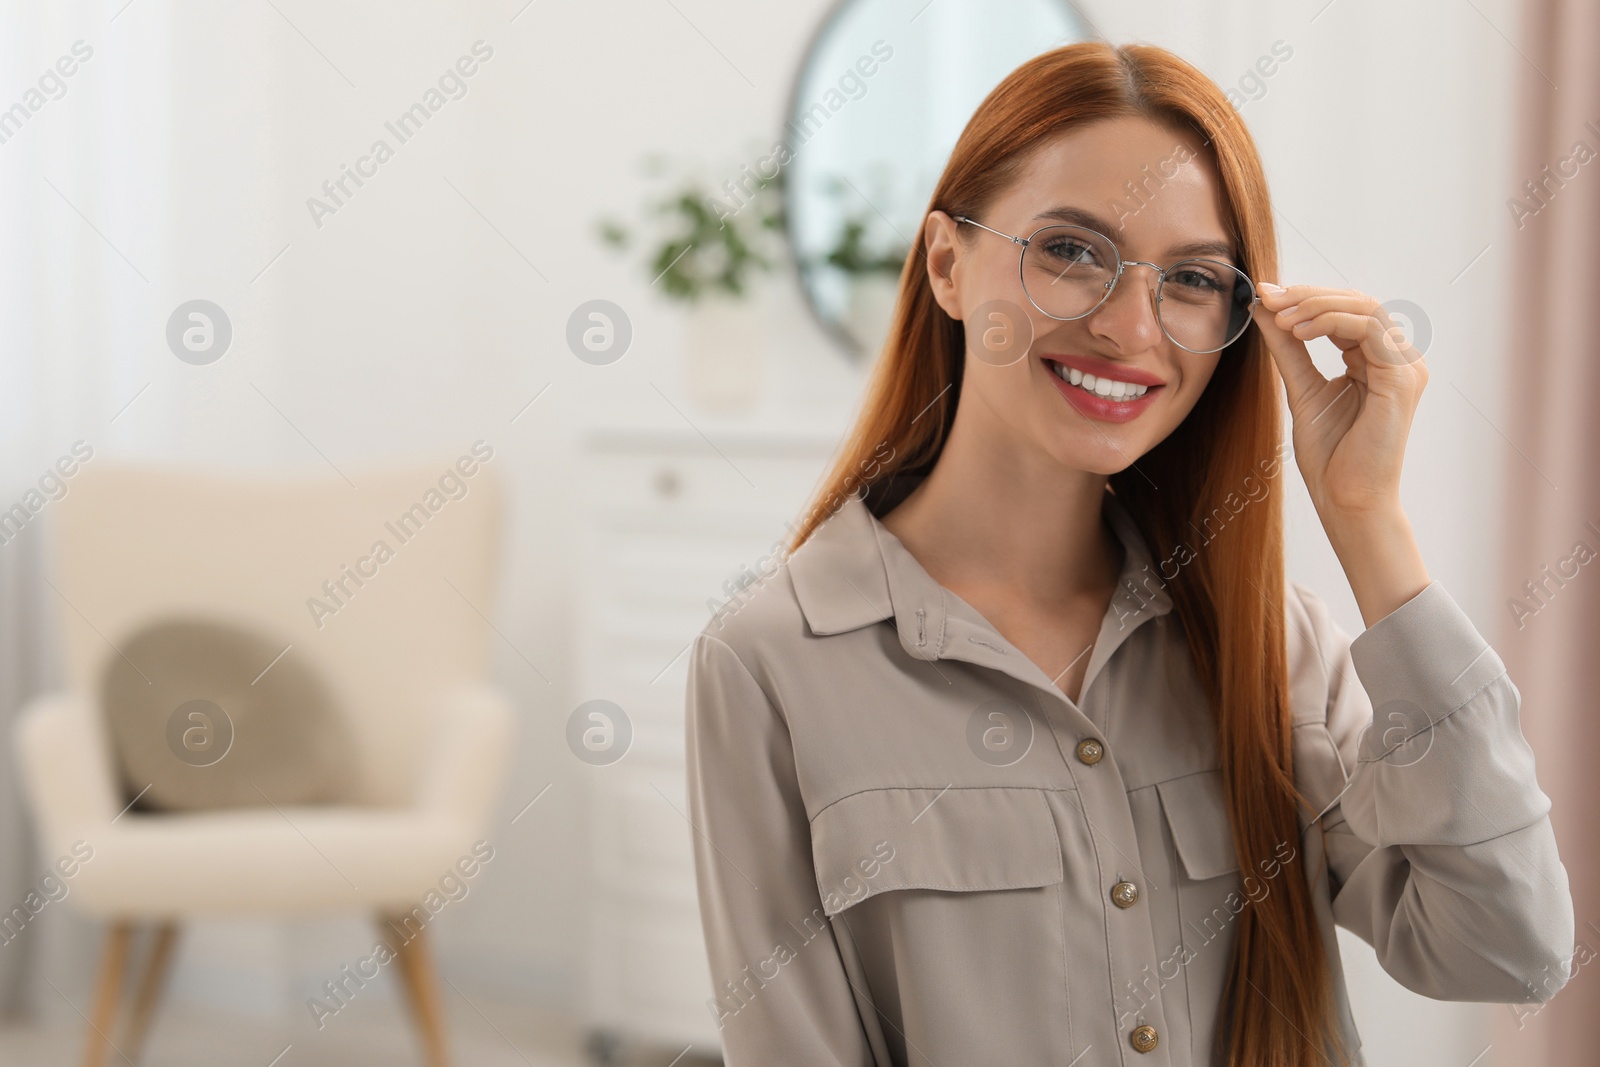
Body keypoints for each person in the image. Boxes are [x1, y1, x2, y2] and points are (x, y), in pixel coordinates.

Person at [684, 40, 1573, 1066]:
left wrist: (1370, 521)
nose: (1127, 326)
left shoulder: (1269, 644)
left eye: (1191, 279)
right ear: (945, 264)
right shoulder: (770, 663)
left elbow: (1509, 951)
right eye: (1069, 250)